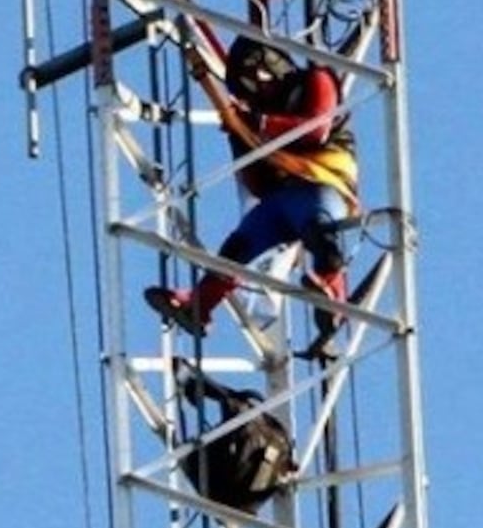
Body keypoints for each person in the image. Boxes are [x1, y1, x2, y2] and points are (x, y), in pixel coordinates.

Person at [144, 36, 359, 346]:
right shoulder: (258, 116)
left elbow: (314, 129)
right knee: (237, 248)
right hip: (280, 196)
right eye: (248, 80)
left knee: (319, 230)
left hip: (323, 181)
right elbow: (259, 182)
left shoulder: (316, 80)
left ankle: (331, 289)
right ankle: (200, 304)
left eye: (259, 69)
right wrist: (239, 136)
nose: (259, 81)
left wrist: (256, 124)